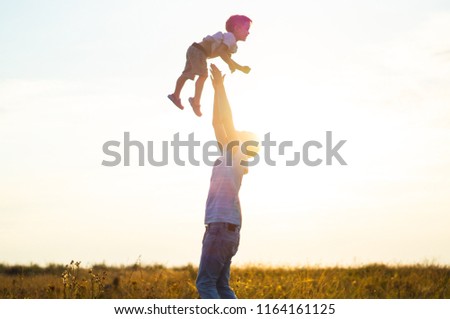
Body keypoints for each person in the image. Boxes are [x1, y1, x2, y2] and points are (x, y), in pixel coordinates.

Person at [195, 64, 259, 299]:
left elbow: (227, 121)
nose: (235, 132)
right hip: (226, 229)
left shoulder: (237, 155)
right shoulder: (231, 156)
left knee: (206, 284)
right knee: (221, 286)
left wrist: (221, 87)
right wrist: (215, 89)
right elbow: (217, 122)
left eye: (240, 134)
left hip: (221, 228)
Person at [168, 15, 252, 117]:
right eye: (246, 29)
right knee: (203, 76)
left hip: (194, 49)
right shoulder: (231, 38)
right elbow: (222, 52)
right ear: (237, 28)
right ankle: (195, 102)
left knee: (186, 74)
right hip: (200, 52)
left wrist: (240, 68)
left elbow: (227, 58)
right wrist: (233, 65)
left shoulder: (230, 41)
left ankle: (175, 95)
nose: (248, 32)